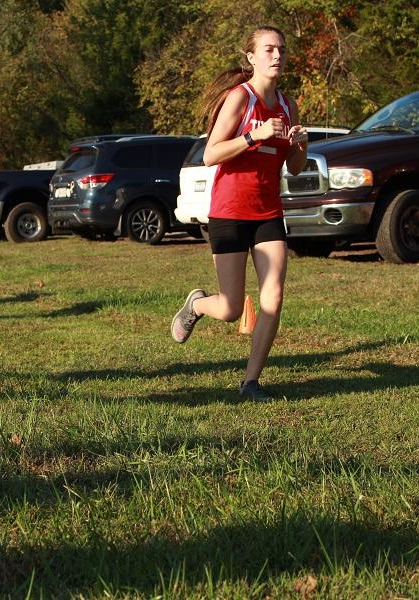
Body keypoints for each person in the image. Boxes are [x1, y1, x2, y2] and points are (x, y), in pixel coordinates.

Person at [170, 26, 308, 401]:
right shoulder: (239, 99)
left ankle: (251, 382)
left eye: (281, 49)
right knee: (231, 308)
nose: (277, 56)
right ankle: (197, 304)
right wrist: (254, 136)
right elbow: (211, 154)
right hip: (230, 211)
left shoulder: (287, 104)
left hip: (267, 212)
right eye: (268, 50)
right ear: (251, 58)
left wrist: (301, 145)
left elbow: (295, 167)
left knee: (273, 297)